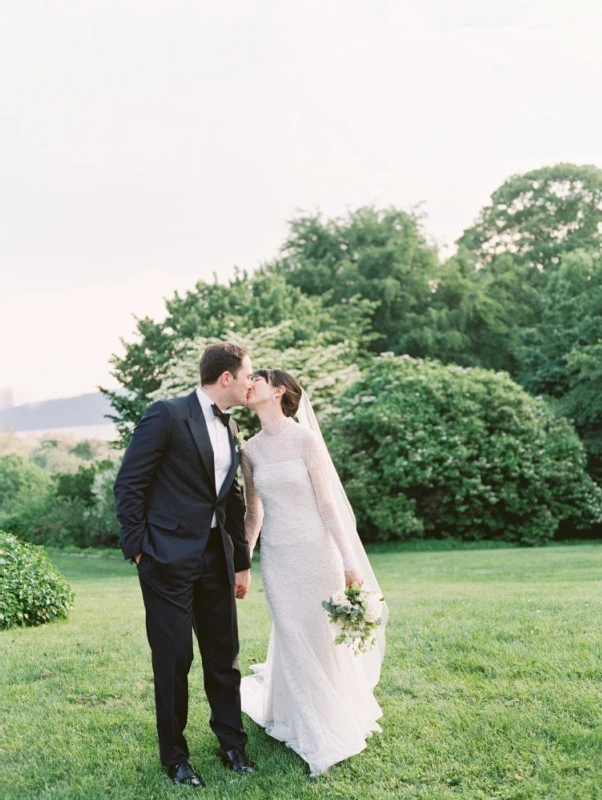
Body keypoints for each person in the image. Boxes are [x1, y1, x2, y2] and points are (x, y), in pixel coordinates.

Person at [113, 342, 255, 789]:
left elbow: (230, 499)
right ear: (226, 378)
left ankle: (232, 744)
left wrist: (241, 562)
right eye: (247, 374)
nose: (252, 382)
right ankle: (175, 758)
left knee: (223, 656)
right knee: (173, 660)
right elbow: (129, 483)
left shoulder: (231, 427)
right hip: (165, 560)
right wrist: (139, 549)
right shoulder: (167, 414)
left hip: (216, 558)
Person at [240, 369, 387, 777]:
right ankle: (300, 722)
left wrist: (349, 562)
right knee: (289, 632)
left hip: (316, 553)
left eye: (257, 378)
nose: (249, 383)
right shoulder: (249, 450)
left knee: (320, 638)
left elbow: (328, 506)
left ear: (279, 390)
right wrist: (244, 560)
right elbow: (255, 512)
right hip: (278, 559)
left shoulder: (305, 440)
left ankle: (325, 723)